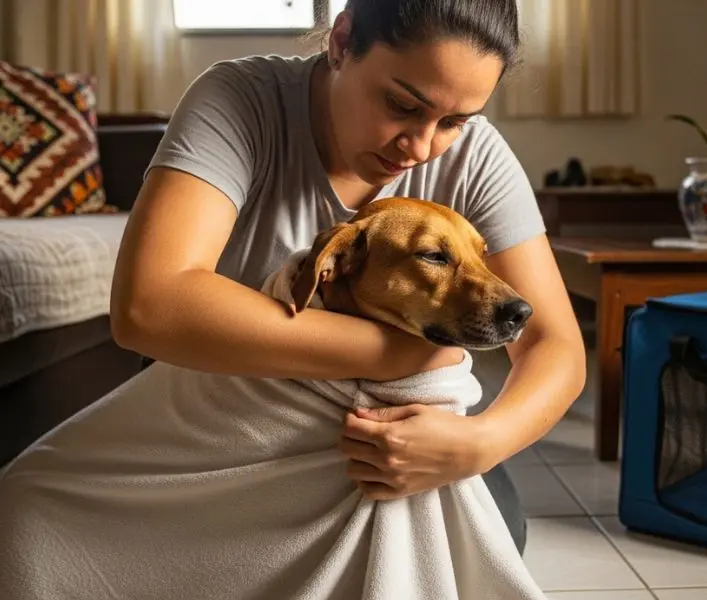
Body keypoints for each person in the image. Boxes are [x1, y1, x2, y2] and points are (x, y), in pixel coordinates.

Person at [108, 0, 586, 555]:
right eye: (401, 104)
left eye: (454, 122)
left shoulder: (476, 157)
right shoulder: (241, 102)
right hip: (215, 418)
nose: (421, 148)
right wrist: (402, 354)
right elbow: (147, 306)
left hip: (369, 423)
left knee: (493, 531)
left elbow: (554, 344)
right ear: (341, 41)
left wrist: (481, 442)